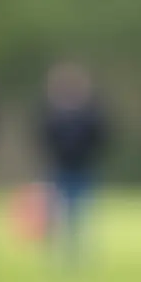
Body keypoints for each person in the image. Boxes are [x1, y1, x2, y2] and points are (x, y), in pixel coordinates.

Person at [37, 61, 107, 264]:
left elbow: (100, 136)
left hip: (83, 167)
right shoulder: (51, 113)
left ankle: (78, 254)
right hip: (59, 167)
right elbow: (43, 135)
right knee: (56, 214)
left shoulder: (90, 113)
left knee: (80, 212)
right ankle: (59, 254)